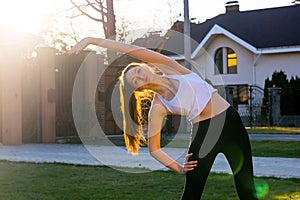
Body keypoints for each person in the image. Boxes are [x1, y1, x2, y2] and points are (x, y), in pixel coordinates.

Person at [69, 37, 258, 200]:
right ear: (139, 89)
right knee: (191, 195)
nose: (141, 77)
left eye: (138, 71)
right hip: (203, 134)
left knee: (246, 191)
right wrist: (178, 167)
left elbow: (132, 50)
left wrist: (93, 40)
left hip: (230, 124)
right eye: (136, 81)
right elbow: (154, 149)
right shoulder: (158, 107)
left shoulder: (172, 68)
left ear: (144, 67)